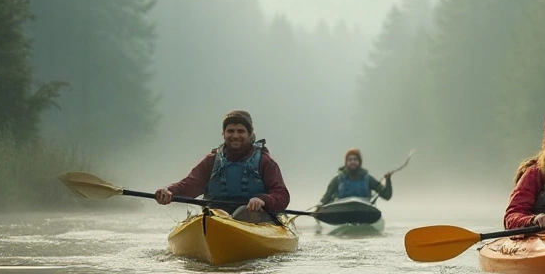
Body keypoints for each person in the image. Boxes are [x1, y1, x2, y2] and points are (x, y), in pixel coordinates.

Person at [154, 109, 291, 223]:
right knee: (212, 214)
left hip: (255, 217)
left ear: (250, 135)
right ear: (223, 134)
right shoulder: (211, 160)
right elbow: (190, 185)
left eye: (241, 131)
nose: (235, 136)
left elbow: (282, 195)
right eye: (230, 131)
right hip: (217, 216)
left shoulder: (265, 161)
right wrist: (168, 190)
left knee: (243, 213)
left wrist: (262, 200)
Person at [319, 148, 393, 204]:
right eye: (350, 160)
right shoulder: (337, 179)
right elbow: (326, 198)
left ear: (359, 162)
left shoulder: (368, 179)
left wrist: (388, 180)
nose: (352, 162)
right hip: (342, 210)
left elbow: (387, 196)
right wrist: (319, 208)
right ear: (346, 163)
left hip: (363, 209)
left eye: (355, 159)